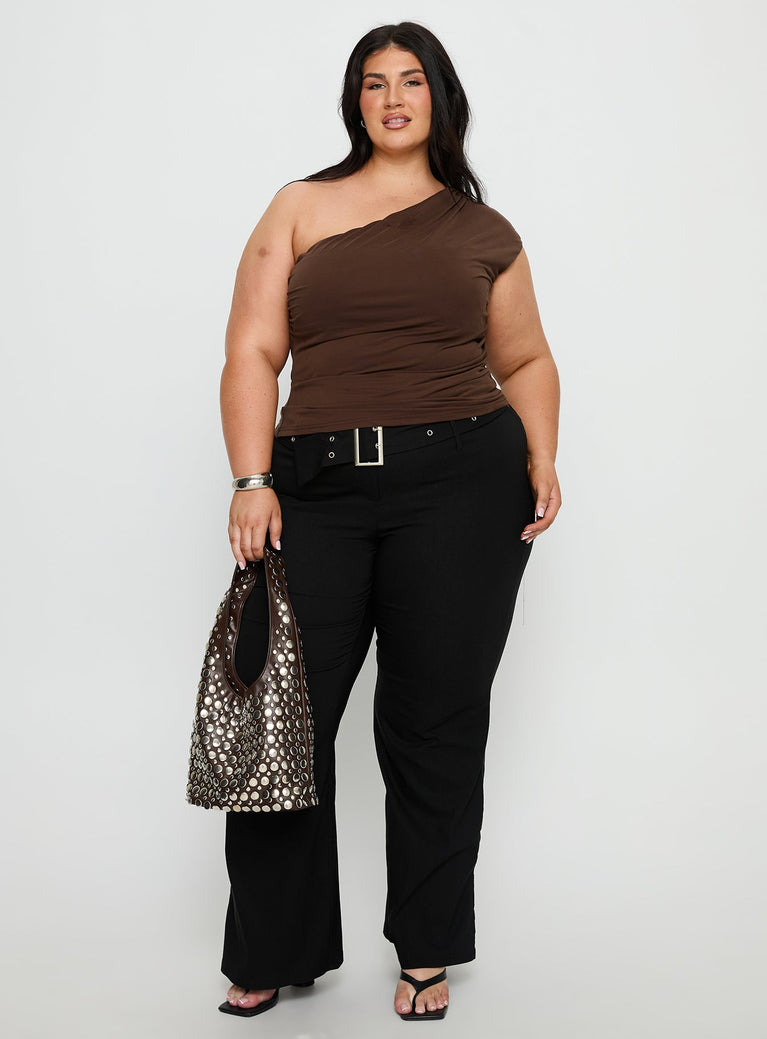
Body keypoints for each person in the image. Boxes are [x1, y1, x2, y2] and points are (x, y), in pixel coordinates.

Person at [216, 20, 561, 1021]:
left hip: (463, 485)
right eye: (375, 83)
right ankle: (274, 948)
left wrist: (541, 453)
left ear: (439, 98)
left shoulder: (482, 231)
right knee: (280, 720)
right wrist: (251, 479)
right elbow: (251, 351)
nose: (394, 98)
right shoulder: (299, 206)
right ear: (354, 102)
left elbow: (525, 358)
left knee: (433, 723)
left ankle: (426, 947)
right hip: (314, 487)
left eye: (412, 81)